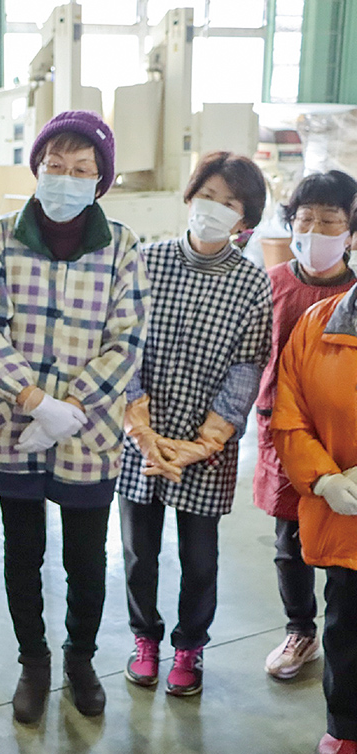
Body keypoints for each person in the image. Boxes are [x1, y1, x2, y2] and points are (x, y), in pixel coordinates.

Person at [0, 110, 149, 723]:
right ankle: (33, 661)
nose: (66, 178)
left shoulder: (123, 245)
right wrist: (33, 400)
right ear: (38, 169)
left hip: (89, 431)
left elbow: (127, 338)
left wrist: (74, 406)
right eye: (55, 166)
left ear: (101, 180)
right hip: (14, 421)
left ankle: (81, 659)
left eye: (82, 169)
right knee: (23, 548)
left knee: (86, 556)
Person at [119, 152, 273, 697]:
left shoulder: (252, 284)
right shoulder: (147, 260)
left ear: (245, 220)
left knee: (199, 558)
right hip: (142, 438)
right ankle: (145, 638)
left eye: (230, 203)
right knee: (139, 553)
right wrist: (143, 431)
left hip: (208, 447)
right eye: (208, 196)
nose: (215, 209)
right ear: (190, 198)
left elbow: (247, 365)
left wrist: (202, 443)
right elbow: (124, 343)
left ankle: (189, 647)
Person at [252, 171, 357, 681]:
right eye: (306, 219)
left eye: (330, 221)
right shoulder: (271, 285)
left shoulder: (353, 295)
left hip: (343, 445)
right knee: (289, 540)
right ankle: (300, 630)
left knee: (343, 554)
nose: (316, 230)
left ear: (350, 231)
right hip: (283, 433)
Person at [272, 279, 357, 754]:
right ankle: (346, 730)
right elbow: (289, 415)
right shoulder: (317, 324)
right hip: (347, 521)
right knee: (347, 629)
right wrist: (323, 479)